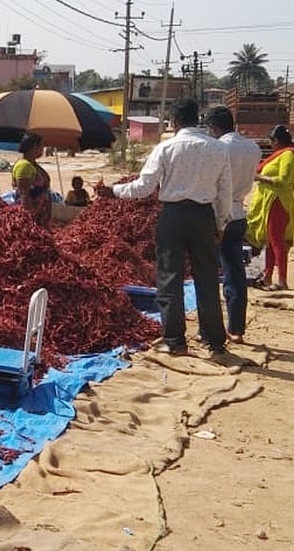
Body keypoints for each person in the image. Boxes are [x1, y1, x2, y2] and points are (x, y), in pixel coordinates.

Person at [95, 97, 234, 361]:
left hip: (173, 215)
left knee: (170, 276)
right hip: (204, 215)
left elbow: (144, 187)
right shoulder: (217, 149)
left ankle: (175, 340)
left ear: (176, 121)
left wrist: (113, 191)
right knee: (206, 278)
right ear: (198, 120)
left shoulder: (166, 147)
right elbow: (224, 191)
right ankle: (215, 341)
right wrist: (220, 223)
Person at [204, 106, 261, 344]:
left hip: (219, 215)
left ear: (214, 128)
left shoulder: (218, 148)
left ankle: (210, 330)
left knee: (208, 274)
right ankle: (236, 328)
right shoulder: (253, 148)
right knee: (235, 272)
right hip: (239, 212)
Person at [246, 124, 294, 291]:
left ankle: (282, 280)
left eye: (272, 141)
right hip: (269, 203)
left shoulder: (289, 155)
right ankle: (267, 277)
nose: (271, 145)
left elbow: (283, 180)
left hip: (278, 202)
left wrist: (259, 177)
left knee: (278, 243)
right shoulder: (280, 155)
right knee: (270, 242)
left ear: (276, 141)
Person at [11, 132, 52, 226]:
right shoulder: (24, 166)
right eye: (41, 145)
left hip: (41, 216)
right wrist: (29, 219)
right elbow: (23, 193)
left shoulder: (32, 164)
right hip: (33, 217)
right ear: (34, 146)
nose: (43, 149)